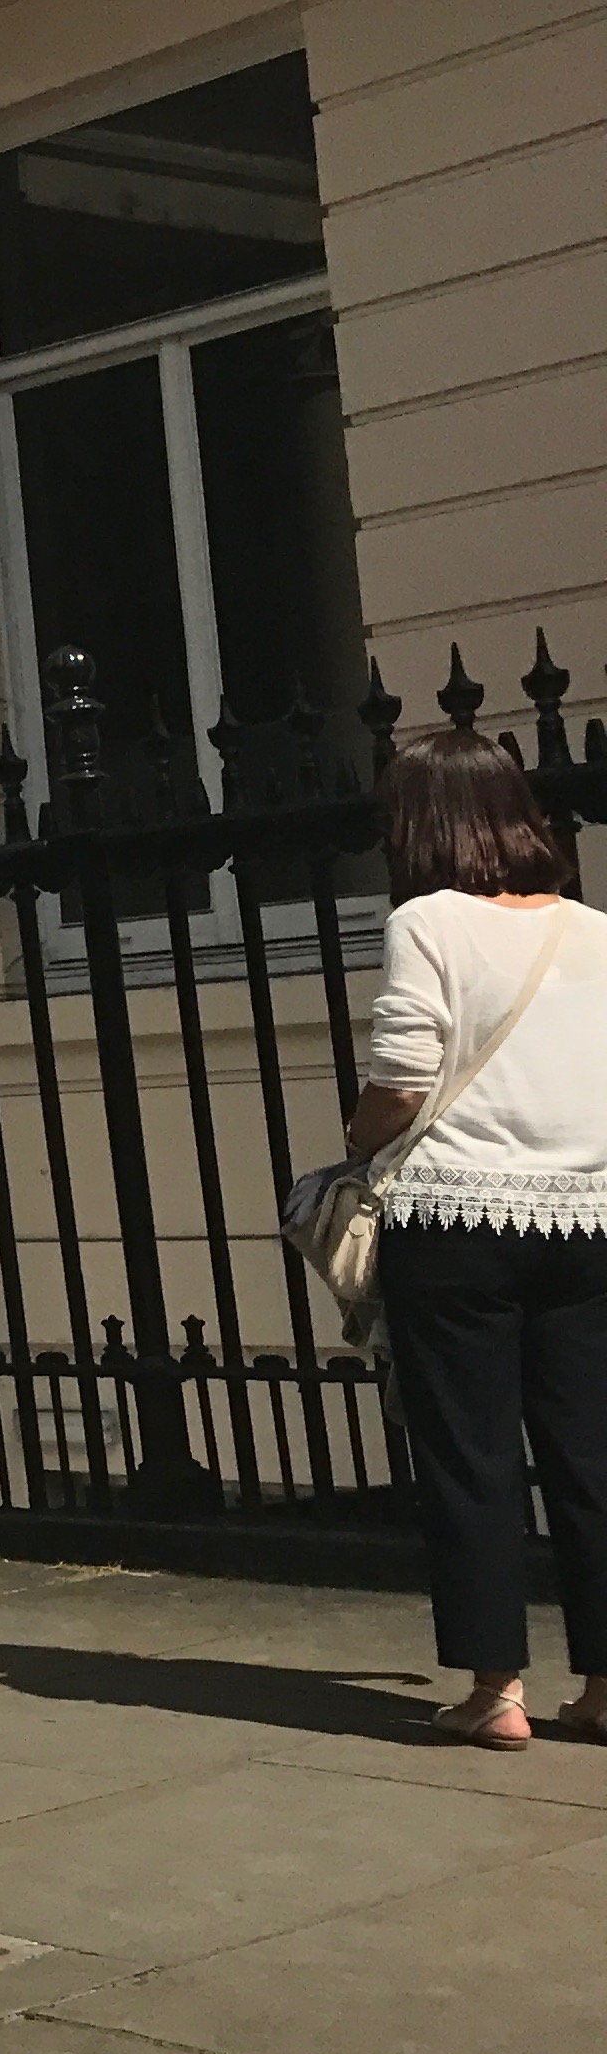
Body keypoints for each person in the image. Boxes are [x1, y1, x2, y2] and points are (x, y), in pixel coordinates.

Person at [347, 731, 607, 1749]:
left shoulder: (427, 921)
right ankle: (601, 1686)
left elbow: (405, 1071)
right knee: (593, 1455)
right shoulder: (593, 928)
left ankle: (495, 1690)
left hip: (458, 1219)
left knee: (472, 1455)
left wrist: (359, 1137)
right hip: (588, 1219)